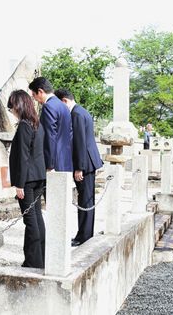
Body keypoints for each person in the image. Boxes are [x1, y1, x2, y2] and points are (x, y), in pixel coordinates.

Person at [55, 89, 104, 247]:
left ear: (64, 101)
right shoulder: (81, 111)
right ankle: (85, 233)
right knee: (87, 200)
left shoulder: (76, 114)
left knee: (85, 200)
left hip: (85, 163)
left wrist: (79, 168)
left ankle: (83, 236)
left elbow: (80, 142)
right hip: (89, 161)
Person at [7, 90, 47, 268]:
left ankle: (33, 261)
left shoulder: (24, 125)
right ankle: (41, 258)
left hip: (28, 180)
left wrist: (19, 184)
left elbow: (23, 156)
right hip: (38, 176)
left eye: (12, 106)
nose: (11, 110)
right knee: (37, 218)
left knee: (30, 221)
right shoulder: (37, 123)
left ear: (20, 105)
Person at [28, 77, 73, 173]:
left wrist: (50, 165)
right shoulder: (63, 106)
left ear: (40, 91)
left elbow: (50, 136)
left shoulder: (48, 106)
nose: (35, 99)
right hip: (65, 160)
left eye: (34, 95)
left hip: (54, 163)